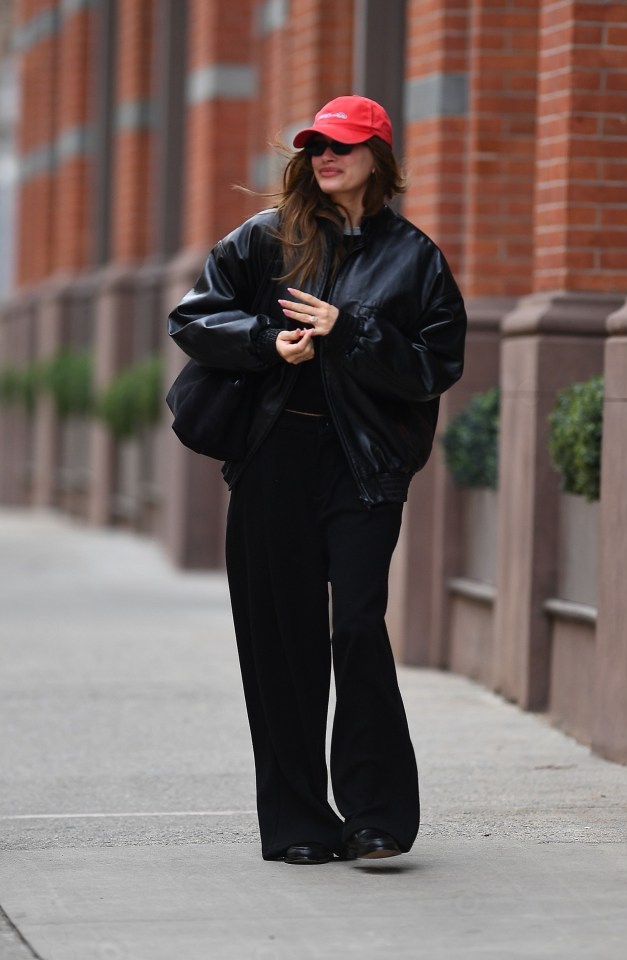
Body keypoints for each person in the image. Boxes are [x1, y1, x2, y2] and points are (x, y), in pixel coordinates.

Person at [168, 95, 466, 865]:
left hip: (363, 465)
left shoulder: (416, 257)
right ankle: (299, 821)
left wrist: (352, 330)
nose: (325, 156)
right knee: (280, 639)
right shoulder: (263, 241)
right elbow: (193, 319)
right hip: (274, 462)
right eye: (315, 146)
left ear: (378, 157)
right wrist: (272, 341)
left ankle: (377, 816)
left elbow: (437, 364)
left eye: (342, 145)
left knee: (357, 625)